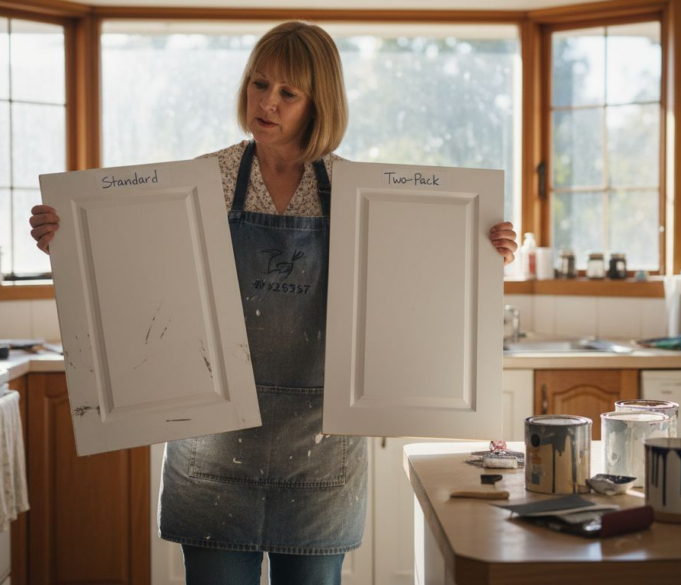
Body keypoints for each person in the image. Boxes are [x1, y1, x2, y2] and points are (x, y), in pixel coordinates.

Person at [29, 21, 518, 585]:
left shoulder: (354, 188)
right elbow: (133, 264)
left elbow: (423, 274)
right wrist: (65, 240)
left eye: (288, 92)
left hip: (319, 447)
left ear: (319, 103)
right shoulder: (205, 178)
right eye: (260, 84)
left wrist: (485, 250)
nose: (267, 102)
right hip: (213, 442)